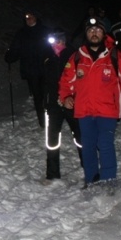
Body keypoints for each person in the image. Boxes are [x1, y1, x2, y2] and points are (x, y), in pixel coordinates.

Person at [59, 17, 121, 189]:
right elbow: (65, 82)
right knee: (88, 146)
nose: (94, 33)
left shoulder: (115, 56)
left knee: (105, 144)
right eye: (91, 30)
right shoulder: (77, 57)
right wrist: (66, 97)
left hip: (107, 111)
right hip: (84, 110)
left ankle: (108, 181)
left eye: (98, 30)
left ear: (104, 33)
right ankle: (91, 180)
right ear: (86, 34)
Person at [42, 28, 83, 182]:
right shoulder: (48, 57)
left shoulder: (74, 55)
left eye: (57, 41)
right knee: (52, 140)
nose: (54, 44)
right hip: (53, 103)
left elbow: (81, 80)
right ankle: (52, 173)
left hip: (72, 103)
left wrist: (75, 98)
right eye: (51, 41)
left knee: (80, 136)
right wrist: (46, 101)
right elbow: (44, 81)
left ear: (63, 41)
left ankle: (88, 166)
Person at [5, 9, 50, 126]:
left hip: (45, 68)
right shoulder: (21, 33)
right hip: (31, 70)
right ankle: (42, 121)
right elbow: (15, 48)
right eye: (26, 18)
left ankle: (50, 115)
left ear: (36, 17)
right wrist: (10, 56)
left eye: (31, 17)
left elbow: (52, 47)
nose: (29, 19)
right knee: (37, 95)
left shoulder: (44, 31)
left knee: (46, 93)